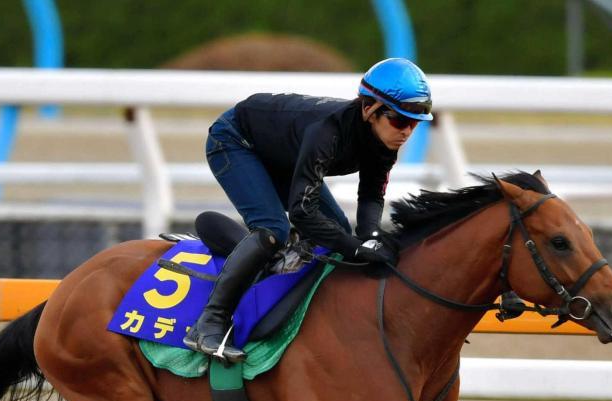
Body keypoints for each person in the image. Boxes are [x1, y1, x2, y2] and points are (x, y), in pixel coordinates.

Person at [183, 57, 434, 363]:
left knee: (337, 231)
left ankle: (281, 278)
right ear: (369, 108)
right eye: (399, 120)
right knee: (272, 229)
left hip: (281, 150)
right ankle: (209, 322)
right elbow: (302, 212)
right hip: (236, 140)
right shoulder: (327, 132)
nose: (407, 132)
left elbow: (371, 195)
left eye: (414, 123)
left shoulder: (384, 142)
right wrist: (356, 250)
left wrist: (370, 236)